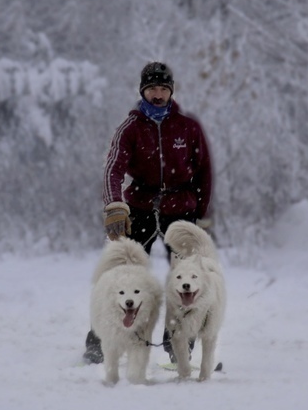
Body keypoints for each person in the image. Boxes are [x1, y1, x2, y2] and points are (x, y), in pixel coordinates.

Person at [82, 61, 214, 365]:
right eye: (152, 88)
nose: (158, 94)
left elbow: (204, 171)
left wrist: (202, 214)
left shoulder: (187, 128)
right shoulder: (130, 128)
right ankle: (100, 341)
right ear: (143, 91)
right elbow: (112, 168)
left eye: (163, 89)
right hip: (139, 208)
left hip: (180, 212)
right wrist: (115, 206)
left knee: (188, 280)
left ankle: (179, 346)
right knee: (122, 275)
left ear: (171, 92)